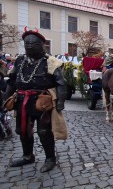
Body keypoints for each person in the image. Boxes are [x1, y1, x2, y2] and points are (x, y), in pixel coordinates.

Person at [3, 28, 68, 172]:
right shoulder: (20, 60)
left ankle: (50, 158)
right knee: (22, 130)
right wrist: (5, 97)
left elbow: (61, 83)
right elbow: (12, 81)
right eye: (27, 44)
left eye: (34, 44)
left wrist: (60, 102)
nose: (30, 46)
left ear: (42, 45)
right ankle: (28, 156)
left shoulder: (51, 62)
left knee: (44, 131)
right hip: (21, 101)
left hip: (42, 102)